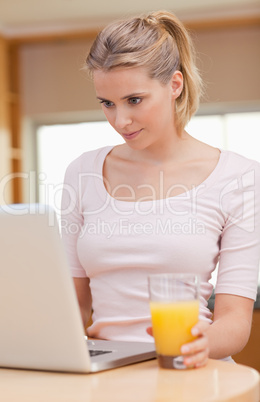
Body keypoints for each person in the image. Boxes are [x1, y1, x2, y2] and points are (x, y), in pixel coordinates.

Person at [61, 10, 260, 368]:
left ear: (175, 85)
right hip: (107, 374)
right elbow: (73, 305)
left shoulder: (239, 177)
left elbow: (235, 319)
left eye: (134, 100)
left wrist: (201, 343)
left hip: (190, 368)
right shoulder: (81, 173)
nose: (120, 121)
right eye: (107, 103)